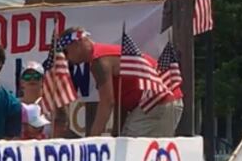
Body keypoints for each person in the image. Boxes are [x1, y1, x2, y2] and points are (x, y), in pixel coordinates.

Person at [53, 27, 182, 137]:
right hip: (162, 101)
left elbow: (107, 103)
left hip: (158, 101)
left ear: (77, 43)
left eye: (66, 52)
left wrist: (92, 140)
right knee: (127, 145)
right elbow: (120, 103)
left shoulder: (99, 61)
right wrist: (116, 134)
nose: (66, 58)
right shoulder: (101, 56)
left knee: (132, 151)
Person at [16, 60, 53, 139]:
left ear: (43, 80)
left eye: (36, 76)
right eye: (27, 77)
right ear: (21, 82)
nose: (32, 79)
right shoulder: (14, 106)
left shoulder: (49, 106)